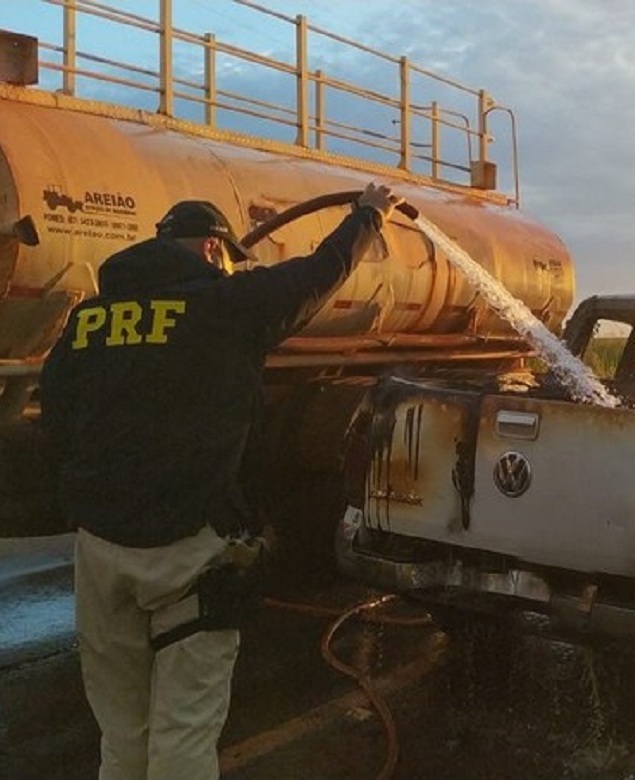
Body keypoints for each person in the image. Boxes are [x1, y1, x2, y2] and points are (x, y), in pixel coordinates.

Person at [38, 183, 403, 780]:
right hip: (189, 557)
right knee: (182, 736)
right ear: (212, 250)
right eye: (229, 258)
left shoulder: (87, 321)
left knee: (122, 736)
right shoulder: (227, 305)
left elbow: (56, 421)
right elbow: (320, 272)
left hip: (100, 553)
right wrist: (367, 215)